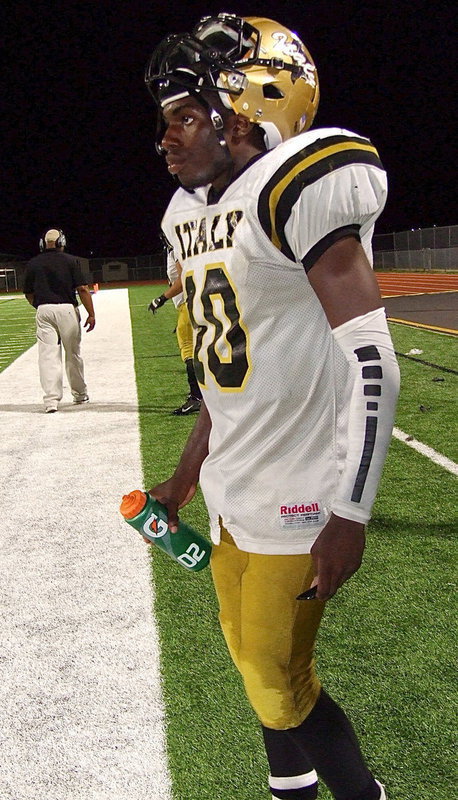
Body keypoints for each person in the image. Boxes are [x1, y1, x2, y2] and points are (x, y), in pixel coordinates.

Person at [144, 14, 400, 800]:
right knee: (261, 670)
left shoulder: (298, 184)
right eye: (165, 122)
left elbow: (373, 360)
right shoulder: (184, 220)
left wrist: (350, 511)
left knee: (275, 679)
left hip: (302, 495)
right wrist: (188, 475)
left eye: (186, 116)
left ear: (249, 105)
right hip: (232, 490)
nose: (167, 138)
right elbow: (222, 381)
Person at [24, 228, 95, 413]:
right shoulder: (71, 261)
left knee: (47, 356)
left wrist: (40, 307)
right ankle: (80, 394)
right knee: (73, 354)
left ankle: (51, 401)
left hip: (44, 309)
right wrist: (91, 313)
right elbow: (83, 289)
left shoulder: (33, 263)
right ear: (61, 242)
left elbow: (28, 293)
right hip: (67, 310)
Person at [148, 248, 202, 415]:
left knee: (189, 349)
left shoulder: (178, 249)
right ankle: (205, 393)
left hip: (189, 303)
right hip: (197, 302)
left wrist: (162, 298)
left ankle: (196, 397)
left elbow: (183, 279)